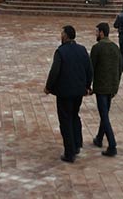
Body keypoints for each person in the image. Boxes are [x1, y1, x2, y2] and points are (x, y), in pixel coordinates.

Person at [44, 25, 92, 163]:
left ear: (66, 36)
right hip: (78, 91)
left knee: (65, 120)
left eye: (62, 34)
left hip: (64, 92)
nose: (61, 36)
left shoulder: (61, 52)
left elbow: (55, 71)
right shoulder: (82, 50)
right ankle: (77, 144)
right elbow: (89, 69)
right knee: (74, 115)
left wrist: (48, 87)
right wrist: (87, 86)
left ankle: (69, 152)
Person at [89, 22, 123, 157]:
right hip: (111, 87)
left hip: (101, 87)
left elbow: (91, 69)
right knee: (105, 113)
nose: (96, 34)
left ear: (102, 33)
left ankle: (112, 144)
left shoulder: (97, 48)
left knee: (104, 116)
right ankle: (99, 138)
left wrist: (88, 86)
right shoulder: (115, 48)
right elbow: (119, 69)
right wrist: (116, 85)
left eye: (97, 32)